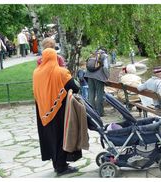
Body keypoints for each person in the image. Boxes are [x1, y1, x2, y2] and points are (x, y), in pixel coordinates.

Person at [33, 47, 80, 176]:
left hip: (43, 111)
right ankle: (61, 167)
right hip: (59, 111)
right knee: (61, 137)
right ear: (55, 58)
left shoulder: (36, 72)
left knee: (50, 138)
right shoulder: (61, 72)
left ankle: (57, 164)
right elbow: (75, 88)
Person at [85, 49, 110, 116]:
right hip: (99, 77)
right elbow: (105, 68)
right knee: (100, 94)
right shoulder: (105, 56)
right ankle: (100, 112)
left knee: (91, 93)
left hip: (89, 76)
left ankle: (91, 112)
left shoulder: (93, 55)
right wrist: (107, 76)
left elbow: (87, 65)